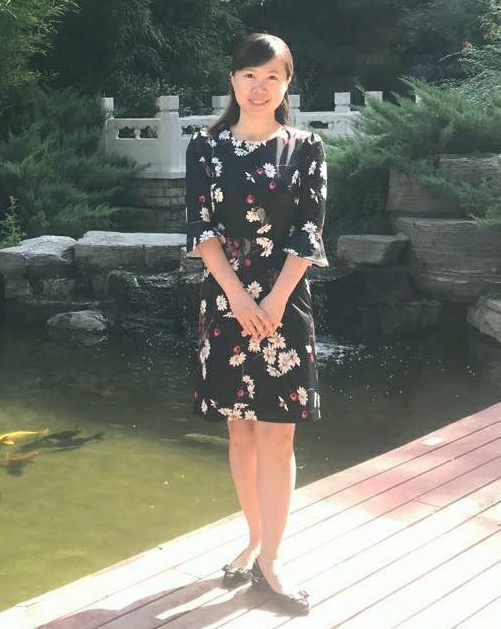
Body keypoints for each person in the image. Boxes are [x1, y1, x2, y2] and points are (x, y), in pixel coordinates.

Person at [184, 32, 329, 616]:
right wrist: (240, 298)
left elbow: (309, 231)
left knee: (279, 432)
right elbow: (200, 229)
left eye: (272, 76)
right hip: (226, 302)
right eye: (249, 75)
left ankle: (272, 559)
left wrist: (273, 302)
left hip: (285, 304)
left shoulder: (306, 148)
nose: (259, 87)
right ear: (233, 80)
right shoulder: (205, 146)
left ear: (287, 84)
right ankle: (251, 539)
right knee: (240, 430)